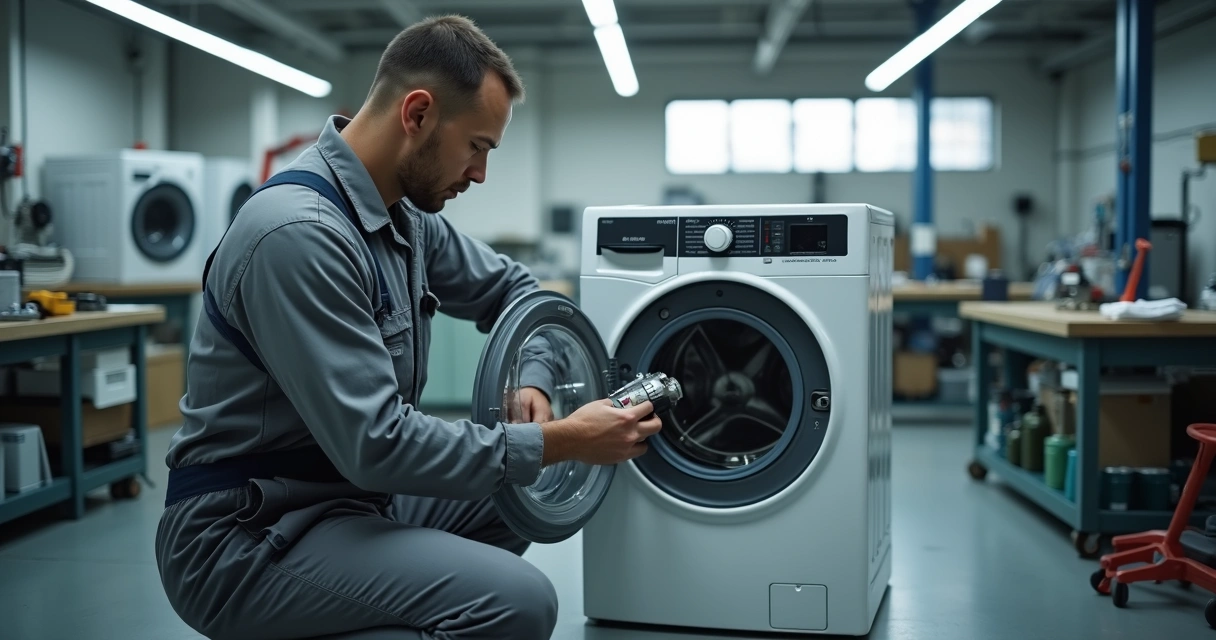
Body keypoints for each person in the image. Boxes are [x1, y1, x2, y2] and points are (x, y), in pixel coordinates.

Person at [155, 15, 662, 640]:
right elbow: (378, 444)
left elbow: (517, 289)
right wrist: (561, 440)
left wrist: (534, 378)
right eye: (478, 146)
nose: (479, 174)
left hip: (347, 500)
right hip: (245, 534)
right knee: (518, 602)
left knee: (517, 502)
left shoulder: (405, 219)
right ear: (417, 114)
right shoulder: (301, 235)